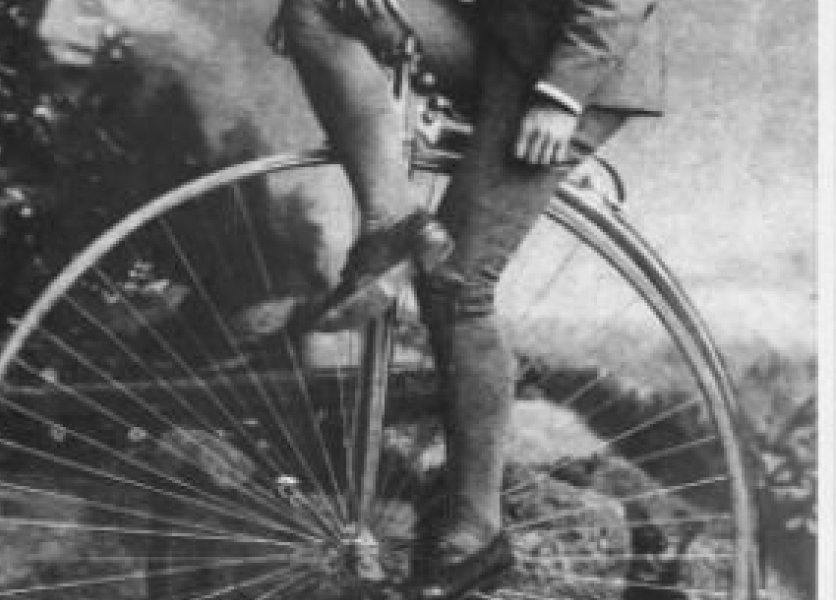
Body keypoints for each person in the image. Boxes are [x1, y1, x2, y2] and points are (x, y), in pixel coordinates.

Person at [273, 0, 664, 597]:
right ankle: (392, 224)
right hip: (501, 38)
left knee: (456, 282)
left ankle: (476, 534)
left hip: (574, 67)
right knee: (317, 8)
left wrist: (562, 97)